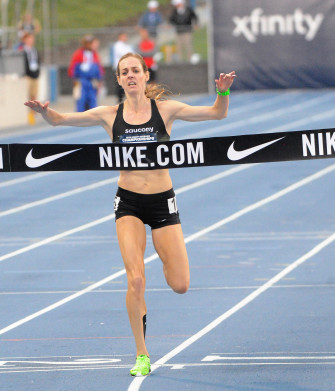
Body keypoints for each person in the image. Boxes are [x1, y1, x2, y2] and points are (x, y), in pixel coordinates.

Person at [24, 52, 236, 377]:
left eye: (135, 70)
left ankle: (163, 262)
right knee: (135, 279)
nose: (131, 76)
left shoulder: (165, 110)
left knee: (180, 284)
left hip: (163, 201)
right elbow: (60, 120)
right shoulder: (110, 115)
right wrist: (44, 111)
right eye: (125, 72)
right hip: (129, 204)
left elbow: (217, 114)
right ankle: (141, 354)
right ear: (120, 80)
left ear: (145, 75)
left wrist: (222, 91)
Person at [68, 34, 104, 112]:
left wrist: (100, 80)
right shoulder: (78, 54)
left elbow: (99, 69)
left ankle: (93, 119)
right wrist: (74, 80)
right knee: (80, 101)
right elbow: (72, 68)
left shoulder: (95, 54)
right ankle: (80, 118)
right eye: (89, 43)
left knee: (93, 101)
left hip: (92, 82)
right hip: (80, 81)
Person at [22, 32, 40, 125]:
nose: (31, 41)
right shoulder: (22, 50)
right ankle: (28, 115)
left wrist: (37, 72)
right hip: (27, 76)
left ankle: (33, 114)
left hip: (35, 75)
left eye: (32, 39)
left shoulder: (34, 50)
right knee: (27, 96)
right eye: (29, 39)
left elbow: (37, 61)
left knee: (34, 96)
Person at [112, 32, 134, 103]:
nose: (125, 38)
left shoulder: (126, 46)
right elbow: (126, 54)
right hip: (120, 68)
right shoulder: (117, 45)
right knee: (120, 84)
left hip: (127, 68)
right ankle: (119, 99)